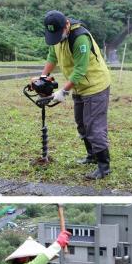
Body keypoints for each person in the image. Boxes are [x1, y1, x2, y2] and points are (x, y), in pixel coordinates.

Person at [33, 10, 112, 179]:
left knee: (94, 127)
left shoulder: (80, 38)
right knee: (81, 123)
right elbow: (52, 57)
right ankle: (91, 156)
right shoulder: (56, 37)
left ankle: (104, 167)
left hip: (95, 86)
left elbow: (80, 70)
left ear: (67, 25)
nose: (56, 39)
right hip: (78, 87)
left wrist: (63, 91)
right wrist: (42, 78)